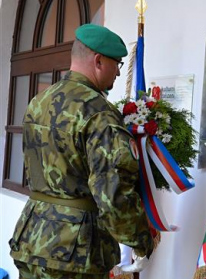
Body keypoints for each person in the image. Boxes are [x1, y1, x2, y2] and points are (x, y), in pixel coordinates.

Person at [9, 24, 153, 278]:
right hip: (75, 251)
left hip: (32, 238)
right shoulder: (99, 112)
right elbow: (113, 194)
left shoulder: (39, 101)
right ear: (98, 61)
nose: (119, 73)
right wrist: (142, 238)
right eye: (117, 64)